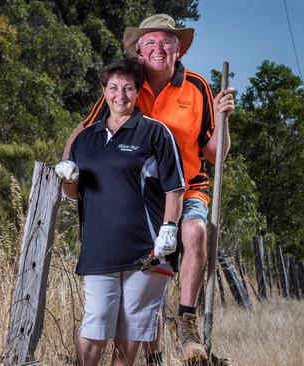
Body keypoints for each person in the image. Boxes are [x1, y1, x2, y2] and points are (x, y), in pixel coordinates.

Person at [62, 14, 235, 363]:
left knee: (194, 231)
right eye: (151, 42)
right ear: (139, 49)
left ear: (177, 49)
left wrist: (222, 118)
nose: (158, 49)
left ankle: (186, 318)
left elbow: (215, 154)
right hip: (138, 196)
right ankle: (153, 353)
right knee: (143, 288)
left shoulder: (197, 87)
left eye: (166, 43)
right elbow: (86, 131)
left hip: (185, 188)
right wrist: (66, 170)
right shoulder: (127, 85)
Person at [55, 58, 185, 366]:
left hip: (148, 251)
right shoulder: (86, 140)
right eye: (113, 88)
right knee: (96, 320)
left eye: (128, 88)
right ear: (104, 91)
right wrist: (69, 180)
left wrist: (170, 227)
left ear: (138, 92)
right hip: (99, 249)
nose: (120, 95)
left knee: (131, 328)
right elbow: (72, 196)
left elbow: (175, 188)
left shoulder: (155, 133)